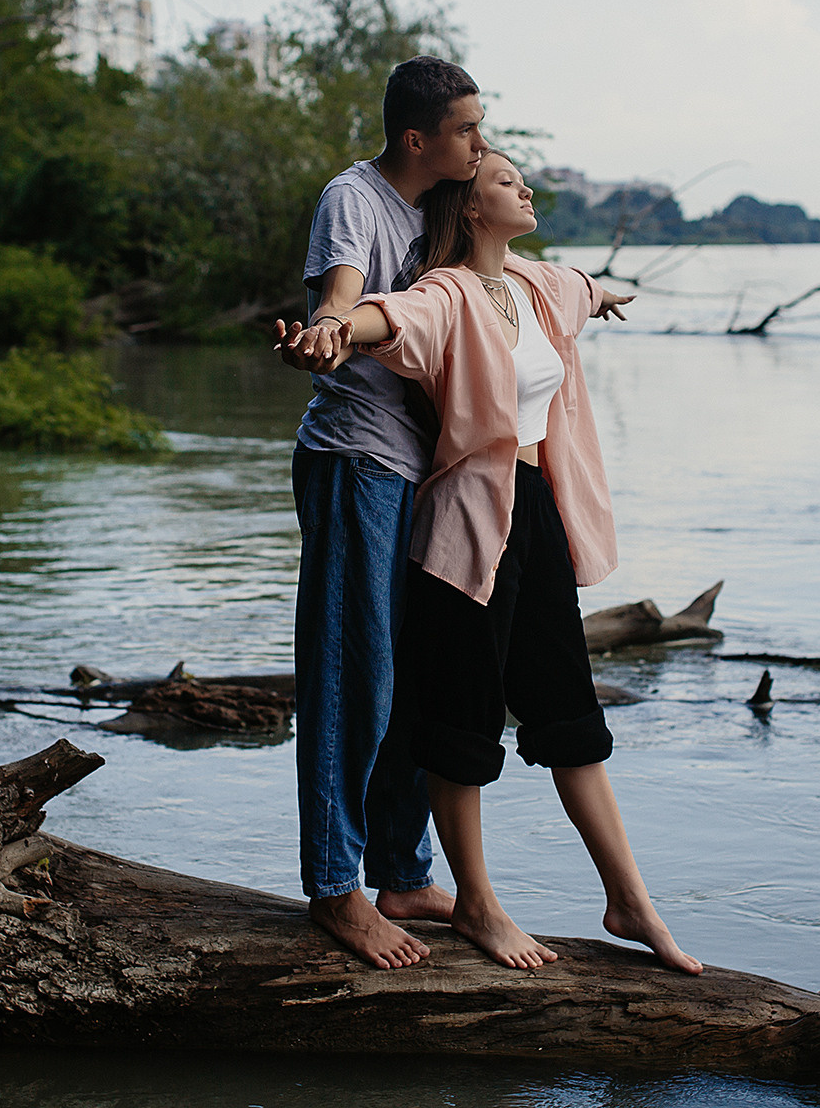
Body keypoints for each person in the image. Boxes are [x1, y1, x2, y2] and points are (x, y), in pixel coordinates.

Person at [277, 152, 702, 975]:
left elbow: (582, 287)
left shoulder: (537, 285)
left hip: (538, 513)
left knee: (570, 713)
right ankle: (475, 902)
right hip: (472, 524)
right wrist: (333, 330)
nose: (525, 188)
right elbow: (388, 318)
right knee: (462, 720)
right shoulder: (448, 294)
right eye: (507, 181)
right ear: (471, 209)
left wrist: (607, 293)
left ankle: (631, 901)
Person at [270, 56, 488, 969]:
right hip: (355, 462)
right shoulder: (353, 198)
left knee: (409, 678)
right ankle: (335, 887)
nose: (478, 142)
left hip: (418, 473)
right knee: (350, 676)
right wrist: (326, 331)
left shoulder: (443, 208)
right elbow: (342, 295)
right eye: (466, 129)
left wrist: (587, 293)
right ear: (416, 137)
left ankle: (401, 871)